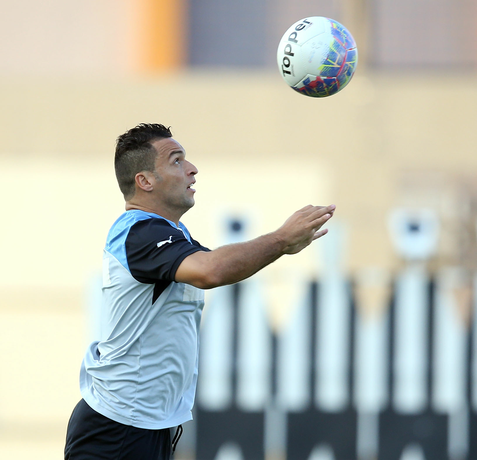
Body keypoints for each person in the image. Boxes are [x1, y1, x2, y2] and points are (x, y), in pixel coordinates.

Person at [64, 123, 335, 459]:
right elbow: (212, 270)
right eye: (176, 161)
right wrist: (280, 239)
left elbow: (220, 263)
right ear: (144, 181)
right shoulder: (140, 232)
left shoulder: (169, 234)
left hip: (144, 426)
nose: (192, 169)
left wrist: (283, 247)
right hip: (116, 430)